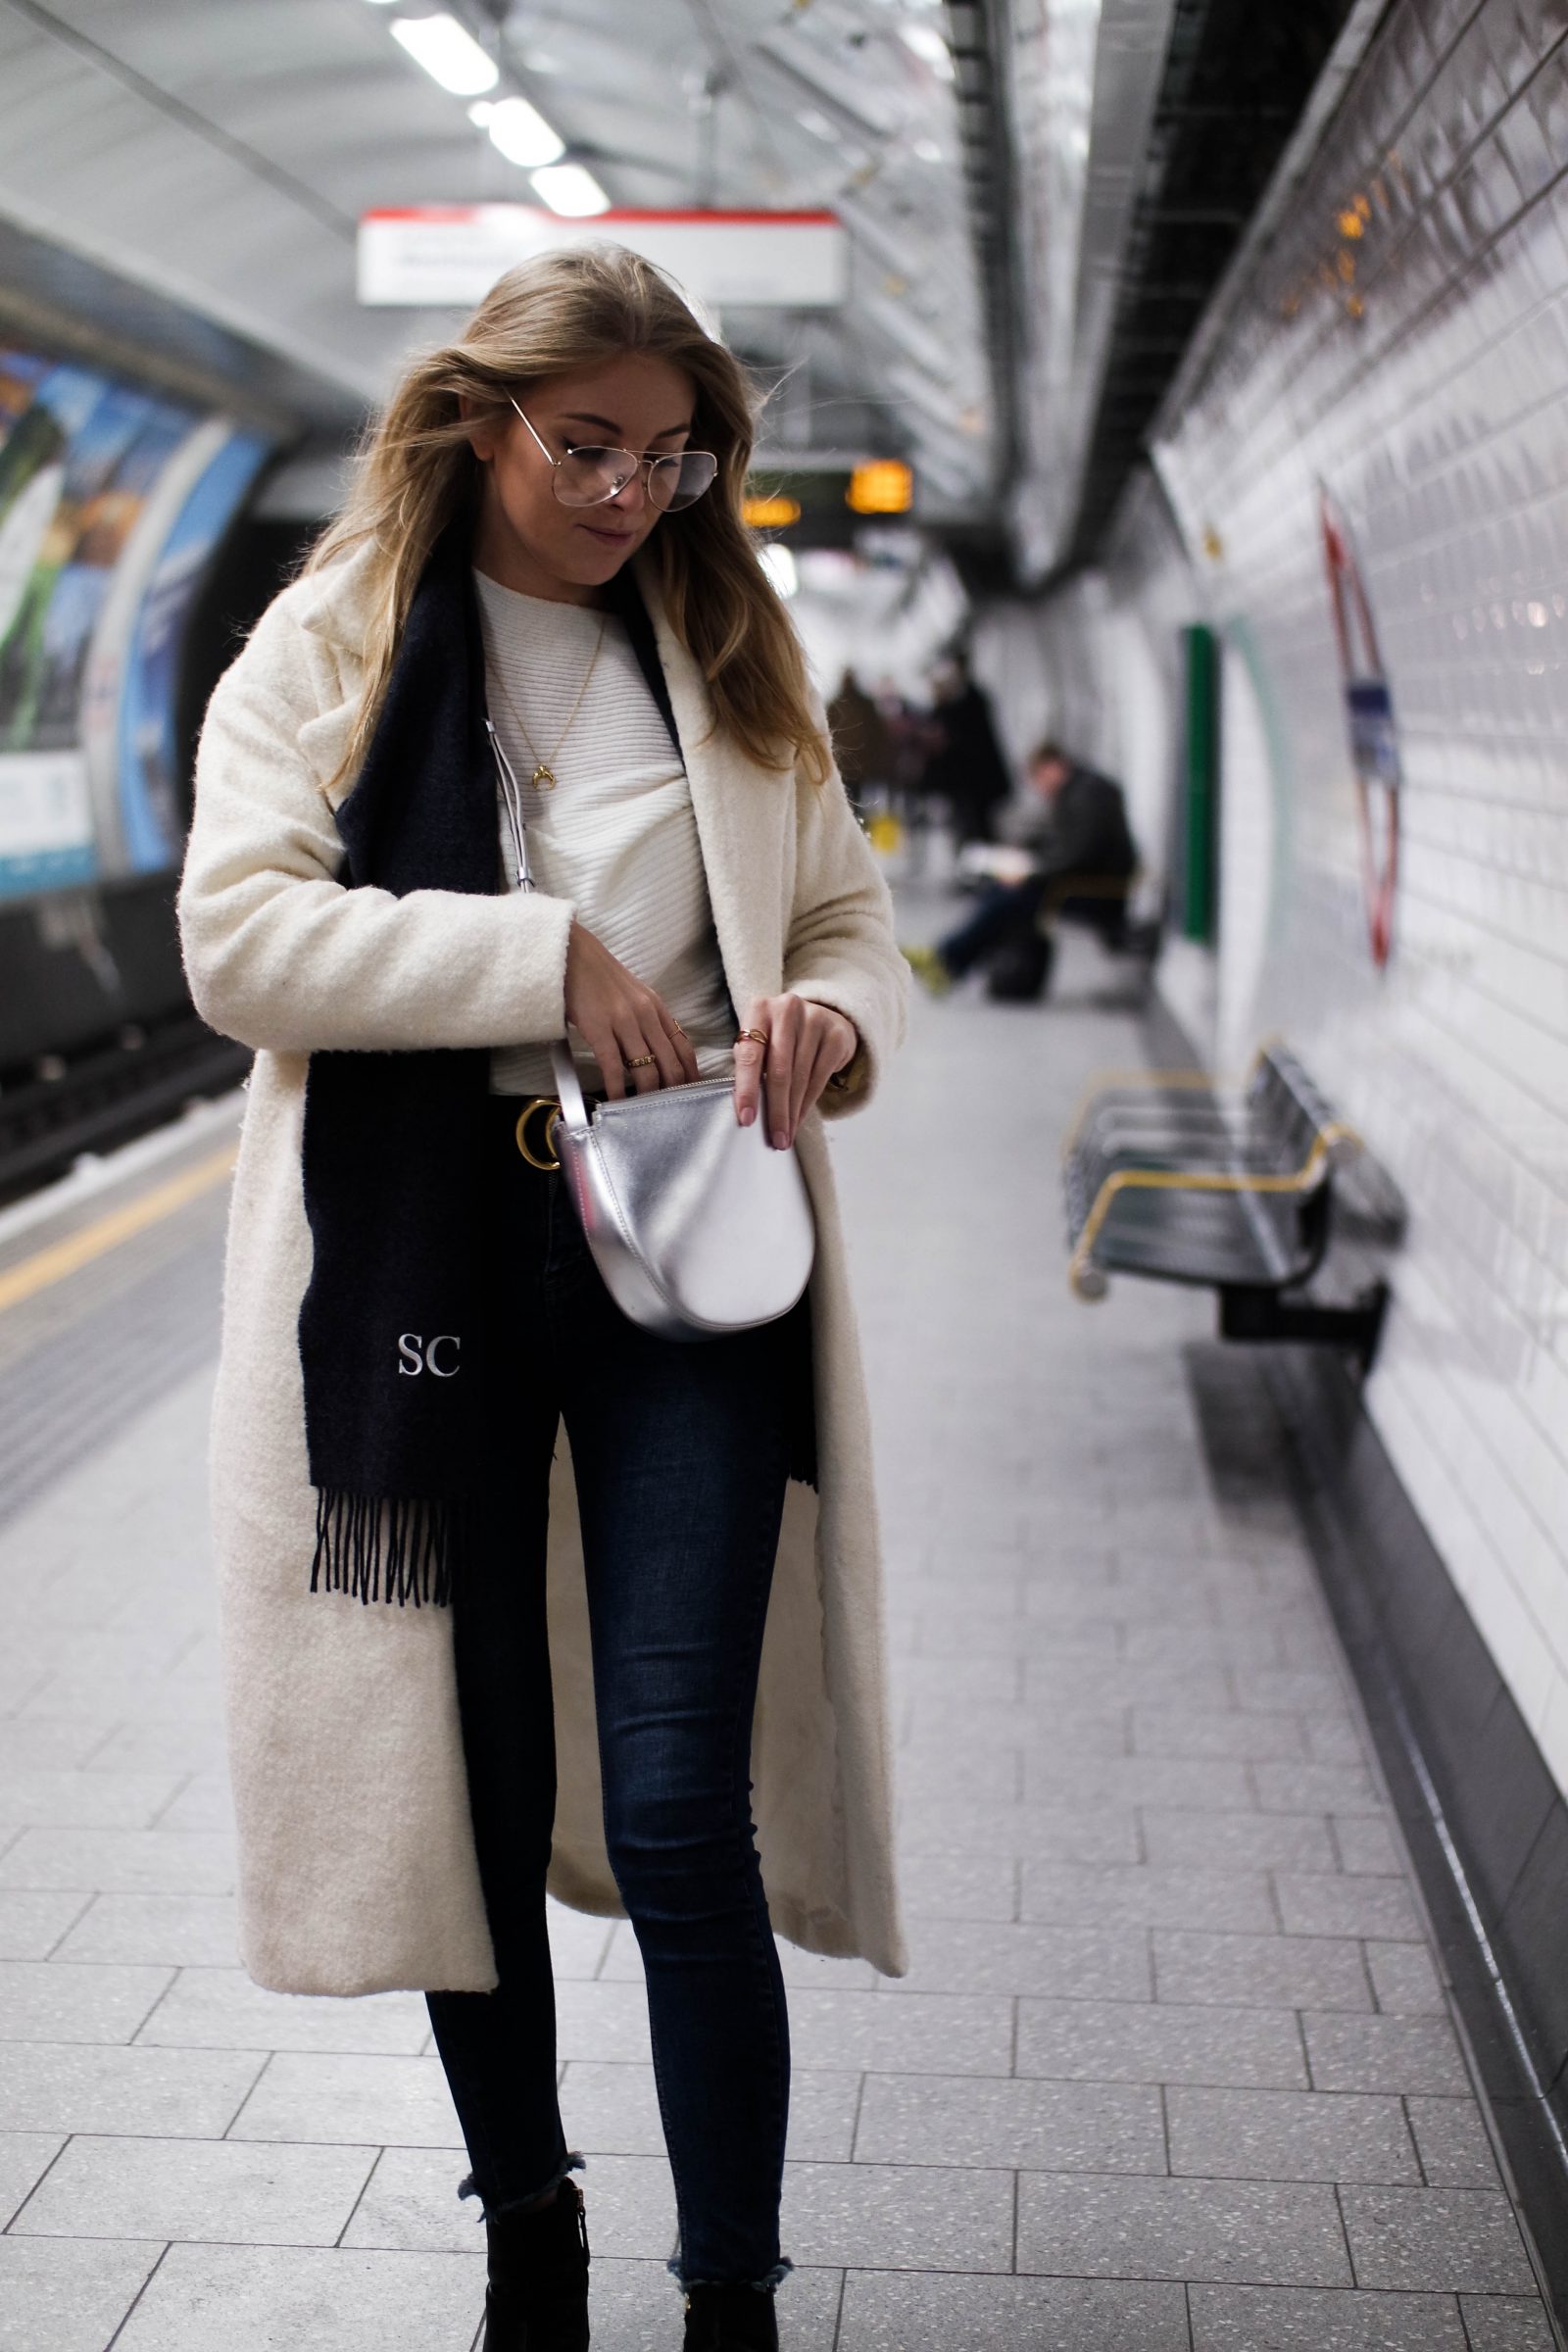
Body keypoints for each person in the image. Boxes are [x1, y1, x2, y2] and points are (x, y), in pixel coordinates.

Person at [176, 245, 909, 2352]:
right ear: (479, 416)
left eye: (666, 460)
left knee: (683, 1790)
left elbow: (851, 923)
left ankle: (734, 2293)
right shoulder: (330, 642)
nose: (622, 494)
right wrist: (531, 957)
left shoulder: (728, 643)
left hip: (686, 1248)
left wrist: (824, 1027)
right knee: (469, 1786)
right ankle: (530, 2225)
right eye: (583, 444)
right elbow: (239, 947)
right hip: (423, 1269)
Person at [905, 740, 1136, 997]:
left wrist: (1031, 873)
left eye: (1038, 779)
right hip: (1079, 882)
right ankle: (946, 962)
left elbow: (1080, 856)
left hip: (1093, 891)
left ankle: (946, 961)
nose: (1041, 789)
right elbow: (1071, 849)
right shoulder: (1080, 792)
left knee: (1009, 899)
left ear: (1052, 768)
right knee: (1003, 892)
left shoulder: (1085, 796)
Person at [919, 649, 1011, 849]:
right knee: (972, 824)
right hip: (970, 779)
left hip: (972, 778)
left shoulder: (965, 703)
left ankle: (980, 863)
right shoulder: (969, 700)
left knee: (976, 824)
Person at [824, 665, 893, 810]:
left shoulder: (863, 705)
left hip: (858, 765)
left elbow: (877, 734)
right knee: (850, 804)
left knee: (855, 804)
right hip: (848, 764)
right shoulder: (837, 705)